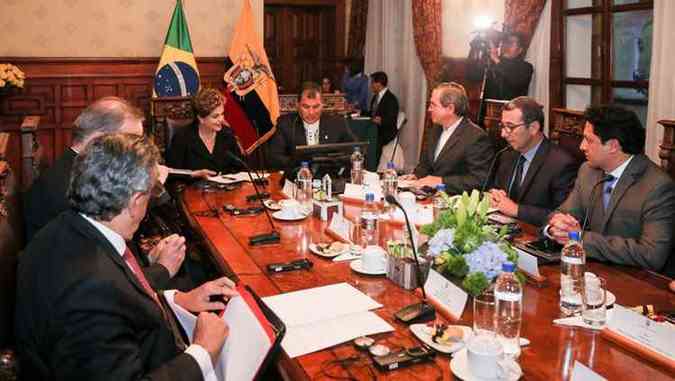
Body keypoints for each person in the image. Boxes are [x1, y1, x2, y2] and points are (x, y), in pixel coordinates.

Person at [15, 133, 236, 380]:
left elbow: (123, 302)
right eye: (151, 193)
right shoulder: (90, 291)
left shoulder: (65, 227)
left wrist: (178, 300)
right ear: (136, 201)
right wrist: (202, 353)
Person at [546, 105, 675, 274]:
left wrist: (580, 238)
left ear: (613, 145)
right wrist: (555, 227)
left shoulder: (658, 186)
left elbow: (651, 254)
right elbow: (562, 213)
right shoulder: (588, 171)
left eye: (589, 140)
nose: (582, 146)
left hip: (635, 281)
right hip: (590, 271)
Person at [488, 97, 579, 226]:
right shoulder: (507, 154)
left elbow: (562, 217)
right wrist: (493, 196)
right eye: (502, 126)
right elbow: (495, 188)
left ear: (533, 128)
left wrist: (517, 210)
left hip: (536, 237)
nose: (503, 134)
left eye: (510, 127)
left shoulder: (561, 164)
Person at [402, 82, 494, 194]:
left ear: (450, 108)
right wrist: (415, 176)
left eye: (433, 105)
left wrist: (440, 181)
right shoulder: (436, 128)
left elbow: (479, 180)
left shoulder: (476, 137)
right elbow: (426, 164)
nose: (429, 109)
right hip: (429, 198)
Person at [267, 82, 355, 171]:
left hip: (330, 177)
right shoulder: (286, 124)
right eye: (306, 107)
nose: (311, 112)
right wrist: (297, 166)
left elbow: (355, 150)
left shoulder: (337, 123)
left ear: (322, 105)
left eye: (316, 107)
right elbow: (274, 157)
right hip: (296, 177)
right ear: (298, 105)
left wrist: (334, 163)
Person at [166, 88, 245, 176]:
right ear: (201, 118)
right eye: (215, 116)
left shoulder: (227, 134)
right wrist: (194, 174)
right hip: (194, 188)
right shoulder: (182, 138)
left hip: (226, 188)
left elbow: (239, 168)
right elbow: (172, 174)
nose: (221, 119)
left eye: (222, 114)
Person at [467, 32, 533, 101]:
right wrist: (474, 49)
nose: (507, 45)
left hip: (512, 108)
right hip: (489, 108)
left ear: (520, 50)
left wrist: (496, 60)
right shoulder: (491, 61)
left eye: (511, 43)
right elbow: (472, 76)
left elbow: (515, 82)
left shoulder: (526, 67)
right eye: (505, 42)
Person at [367, 71, 399, 166]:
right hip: (374, 129)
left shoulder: (391, 99)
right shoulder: (375, 97)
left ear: (379, 84)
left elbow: (391, 120)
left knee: (373, 140)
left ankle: (372, 167)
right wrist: (359, 111)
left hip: (385, 132)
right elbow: (372, 114)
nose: (371, 86)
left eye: (372, 83)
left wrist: (380, 121)